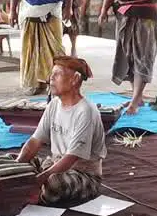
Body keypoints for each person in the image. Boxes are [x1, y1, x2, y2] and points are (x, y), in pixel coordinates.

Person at [15, 57, 107, 207]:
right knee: (12, 159)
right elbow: (34, 141)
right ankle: (36, 190)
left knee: (54, 183)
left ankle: (36, 191)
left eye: (57, 74)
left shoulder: (86, 111)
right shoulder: (54, 105)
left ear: (75, 79)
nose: (51, 78)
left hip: (82, 174)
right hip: (54, 164)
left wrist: (40, 179)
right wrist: (15, 167)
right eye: (52, 74)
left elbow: (71, 158)